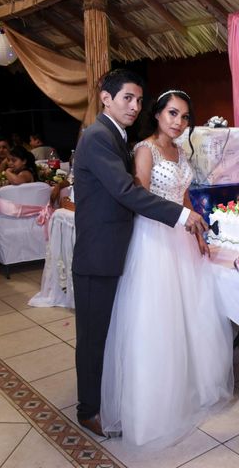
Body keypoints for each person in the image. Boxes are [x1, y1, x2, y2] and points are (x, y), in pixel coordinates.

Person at [71, 69, 208, 438]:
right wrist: (183, 215)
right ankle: (88, 411)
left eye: (137, 100)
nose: (133, 106)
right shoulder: (99, 137)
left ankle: (110, 399)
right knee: (93, 337)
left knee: (115, 334)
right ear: (106, 98)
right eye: (126, 98)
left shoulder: (118, 137)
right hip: (97, 254)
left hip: (119, 248)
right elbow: (127, 192)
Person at [100, 90, 234, 447]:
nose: (178, 122)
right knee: (157, 320)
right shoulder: (145, 150)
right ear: (158, 114)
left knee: (191, 315)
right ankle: (153, 407)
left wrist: (198, 232)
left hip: (180, 240)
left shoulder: (182, 151)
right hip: (154, 240)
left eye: (185, 117)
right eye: (172, 114)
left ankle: (189, 388)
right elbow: (141, 199)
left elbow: (185, 196)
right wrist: (179, 220)